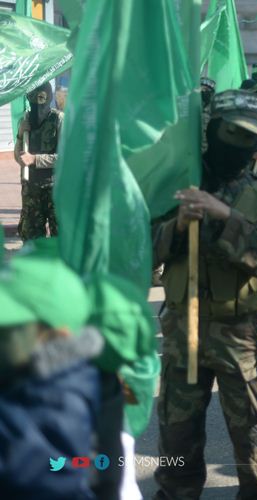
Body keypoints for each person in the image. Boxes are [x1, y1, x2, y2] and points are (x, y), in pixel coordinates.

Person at [152, 89, 257, 500]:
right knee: (176, 443)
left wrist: (226, 216)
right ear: (212, 130)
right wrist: (177, 226)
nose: (240, 145)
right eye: (232, 133)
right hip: (182, 333)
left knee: (252, 443)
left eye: (250, 138)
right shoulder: (178, 188)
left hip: (240, 336)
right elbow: (143, 251)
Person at [0, 248, 102, 499]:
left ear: (56, 336)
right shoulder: (23, 375)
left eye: (7, 331)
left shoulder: (59, 398)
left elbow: (31, 471)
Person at [14, 82, 63, 241]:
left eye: (41, 99)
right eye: (33, 99)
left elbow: (66, 157)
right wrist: (20, 134)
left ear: (48, 98)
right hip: (31, 190)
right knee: (31, 239)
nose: (37, 106)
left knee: (62, 237)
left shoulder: (58, 120)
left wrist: (35, 159)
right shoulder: (25, 120)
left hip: (55, 189)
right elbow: (18, 157)